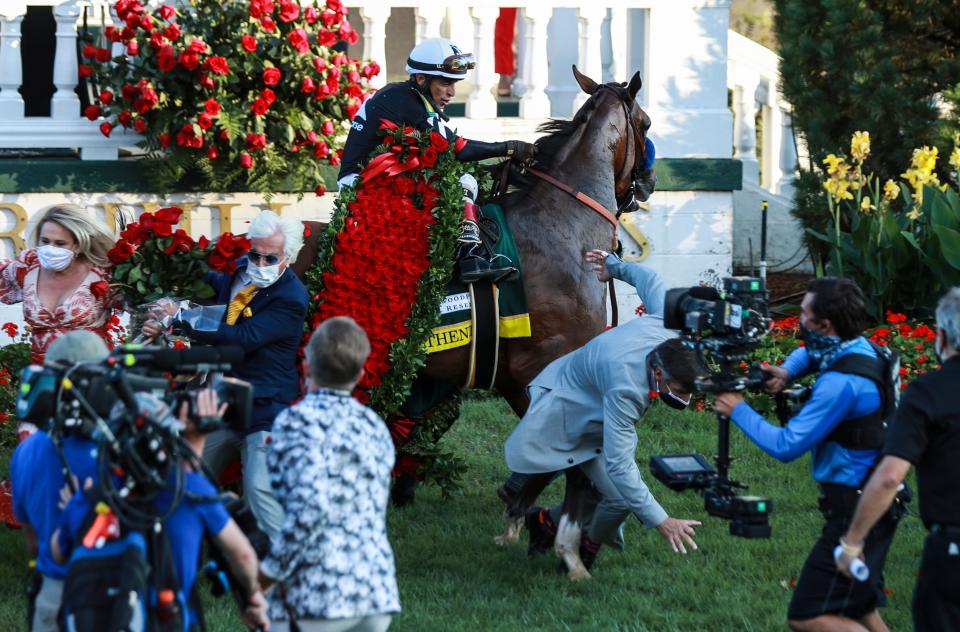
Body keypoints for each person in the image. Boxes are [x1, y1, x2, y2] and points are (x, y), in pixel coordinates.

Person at [715, 277, 903, 632]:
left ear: (823, 325)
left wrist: (737, 409)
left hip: (856, 511)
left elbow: (786, 446)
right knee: (860, 606)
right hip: (879, 501)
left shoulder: (840, 385)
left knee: (807, 616)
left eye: (804, 313)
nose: (799, 319)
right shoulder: (861, 349)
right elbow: (811, 353)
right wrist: (788, 371)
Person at [504, 250, 704, 570]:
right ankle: (582, 546)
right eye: (679, 390)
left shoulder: (671, 326)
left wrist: (613, 265)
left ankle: (544, 523)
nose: (686, 399)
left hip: (592, 399)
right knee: (618, 494)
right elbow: (621, 465)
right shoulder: (628, 387)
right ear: (658, 373)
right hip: (564, 411)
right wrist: (662, 520)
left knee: (613, 496)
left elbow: (650, 280)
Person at [143, 210, 309, 540]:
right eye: (255, 254)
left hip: (264, 409)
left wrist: (180, 316)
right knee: (179, 476)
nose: (259, 264)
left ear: (287, 259)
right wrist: (167, 290)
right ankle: (174, 556)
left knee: (260, 491)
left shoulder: (291, 298)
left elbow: (243, 338)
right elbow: (216, 285)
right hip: (219, 405)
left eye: (270, 258)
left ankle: (289, 568)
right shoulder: (239, 270)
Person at [51, 390, 269, 631]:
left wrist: (70, 508)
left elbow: (57, 552)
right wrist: (252, 596)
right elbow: (244, 555)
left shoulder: (91, 496)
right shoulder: (192, 491)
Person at [338, 36, 537, 284]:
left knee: (460, 177)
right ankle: (469, 258)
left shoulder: (409, 96)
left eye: (454, 84)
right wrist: (509, 147)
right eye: (445, 83)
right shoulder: (406, 100)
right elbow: (457, 148)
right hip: (362, 185)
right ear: (421, 79)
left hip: (375, 176)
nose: (452, 92)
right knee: (462, 181)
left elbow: (446, 150)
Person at [259, 316, 400, 632]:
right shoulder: (373, 425)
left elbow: (309, 509)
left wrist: (266, 574)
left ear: (306, 367)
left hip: (318, 593)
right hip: (374, 589)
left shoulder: (294, 422)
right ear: (361, 373)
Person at [836, 287, 960, 631]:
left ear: (943, 336)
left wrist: (853, 541)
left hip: (952, 549)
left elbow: (890, 476)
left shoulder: (929, 392)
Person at [10, 332, 105, 632]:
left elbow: (33, 542)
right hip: (111, 592)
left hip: (52, 594)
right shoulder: (116, 449)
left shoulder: (25, 450)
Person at [0, 204, 117, 366]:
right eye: (45, 241)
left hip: (92, 376)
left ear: (78, 244)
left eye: (60, 243)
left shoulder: (103, 272)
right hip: (44, 377)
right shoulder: (28, 265)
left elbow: (144, 306)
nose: (50, 248)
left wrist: (155, 323)